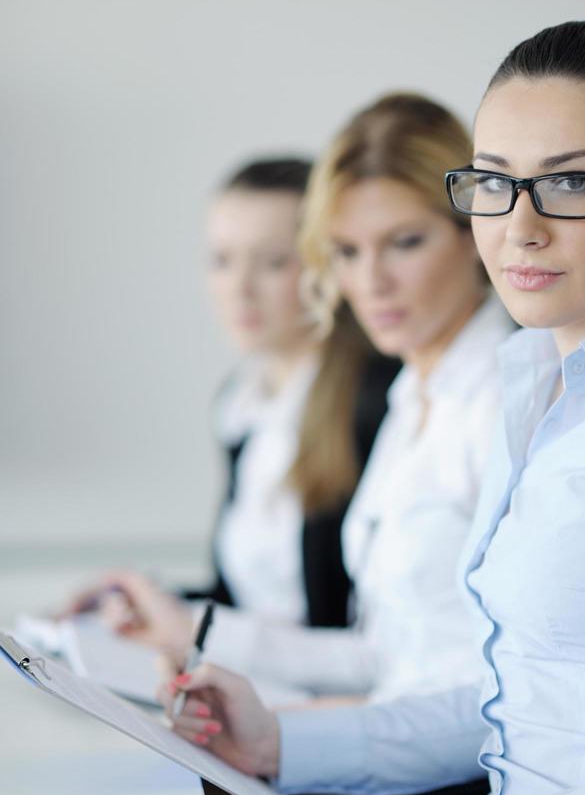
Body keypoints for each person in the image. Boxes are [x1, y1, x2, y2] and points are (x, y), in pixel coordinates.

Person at [160, 18, 585, 795]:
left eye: (574, 181)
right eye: (497, 184)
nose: (522, 226)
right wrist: (279, 739)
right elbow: (509, 697)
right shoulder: (535, 391)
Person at [72, 95, 513, 705]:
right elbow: (389, 655)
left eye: (405, 242)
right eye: (348, 252)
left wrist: (291, 730)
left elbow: (496, 689)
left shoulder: (474, 397)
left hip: (434, 771)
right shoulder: (415, 394)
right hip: (377, 739)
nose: (370, 281)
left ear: (474, 231)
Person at [65, 159, 398, 661]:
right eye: (221, 259)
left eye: (272, 262)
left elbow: (369, 640)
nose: (239, 287)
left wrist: (195, 630)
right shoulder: (241, 405)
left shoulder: (376, 403)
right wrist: (153, 605)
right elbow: (249, 603)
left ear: (325, 269)